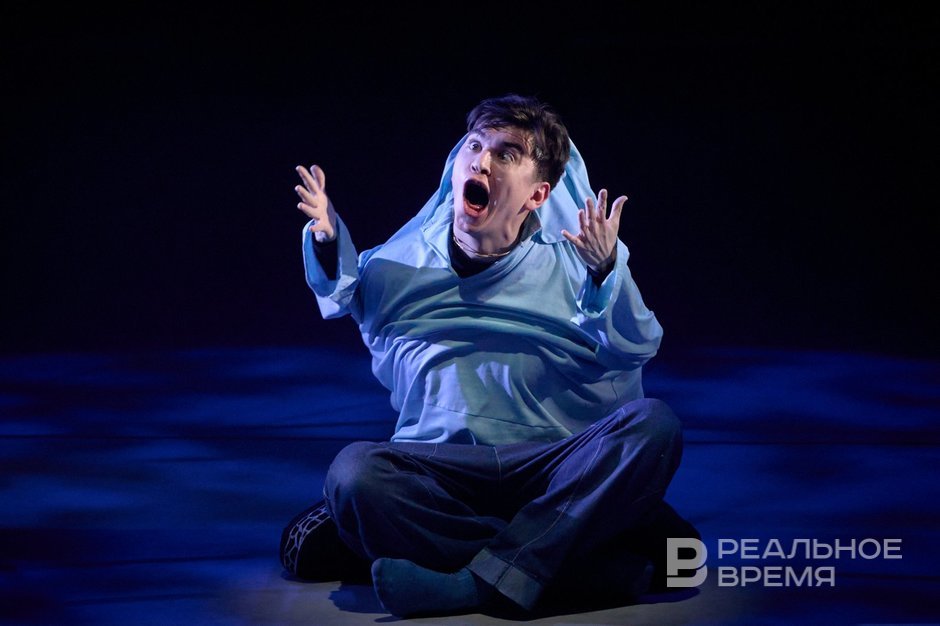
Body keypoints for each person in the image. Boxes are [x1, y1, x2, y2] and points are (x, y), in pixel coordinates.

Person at [279, 94, 698, 617]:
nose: (481, 161)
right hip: (444, 472)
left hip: (553, 468)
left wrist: (606, 272)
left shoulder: (579, 259)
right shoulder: (405, 261)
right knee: (353, 475)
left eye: (505, 154)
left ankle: (471, 583)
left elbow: (636, 345)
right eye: (475, 146)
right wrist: (326, 238)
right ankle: (567, 566)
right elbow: (349, 292)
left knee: (654, 428)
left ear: (538, 194)